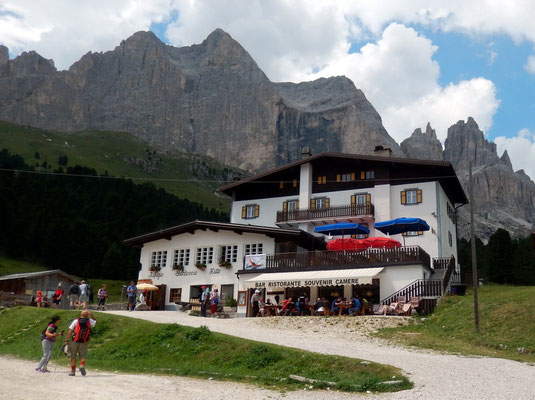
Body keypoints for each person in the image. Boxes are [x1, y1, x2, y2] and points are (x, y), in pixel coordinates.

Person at [65, 310, 97, 376]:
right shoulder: (89, 321)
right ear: (87, 315)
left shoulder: (76, 321)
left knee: (73, 356)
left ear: (80, 314)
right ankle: (82, 365)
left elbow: (70, 331)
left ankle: (73, 371)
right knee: (83, 355)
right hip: (84, 341)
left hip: (75, 340)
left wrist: (67, 340)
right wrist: (91, 314)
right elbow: (95, 321)